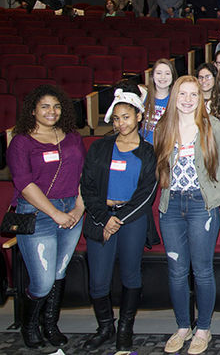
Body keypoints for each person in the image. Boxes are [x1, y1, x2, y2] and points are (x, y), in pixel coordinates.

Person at [80, 86, 160, 352]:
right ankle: (105, 327)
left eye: (126, 116)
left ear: (138, 116)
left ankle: (125, 328)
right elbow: (88, 186)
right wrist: (104, 218)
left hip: (132, 220)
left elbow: (147, 192)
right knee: (98, 280)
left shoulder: (148, 151)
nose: (121, 122)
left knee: (130, 275)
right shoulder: (100, 147)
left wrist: (118, 219)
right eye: (116, 118)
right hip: (100, 218)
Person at [154, 76, 220, 354]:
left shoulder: (212, 127)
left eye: (193, 95)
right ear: (174, 97)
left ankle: (203, 329)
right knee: (176, 271)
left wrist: (212, 194)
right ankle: (183, 326)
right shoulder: (164, 127)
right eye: (182, 94)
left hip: (202, 206)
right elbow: (159, 165)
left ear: (201, 98)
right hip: (171, 206)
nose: (187, 100)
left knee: (202, 270)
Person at [8, 85, 86, 348]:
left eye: (56, 106)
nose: (51, 111)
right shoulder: (21, 141)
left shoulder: (72, 137)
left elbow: (84, 176)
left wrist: (77, 209)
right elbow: (23, 183)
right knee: (42, 281)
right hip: (38, 213)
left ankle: (50, 324)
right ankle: (29, 326)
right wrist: (55, 214)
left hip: (72, 211)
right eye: (44, 106)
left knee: (59, 272)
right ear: (32, 110)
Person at [143, 59, 177, 143]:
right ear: (153, 76)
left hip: (166, 145)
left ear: (173, 76)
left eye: (167, 73)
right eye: (158, 73)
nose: (163, 77)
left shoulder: (177, 99)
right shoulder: (144, 95)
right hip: (145, 145)